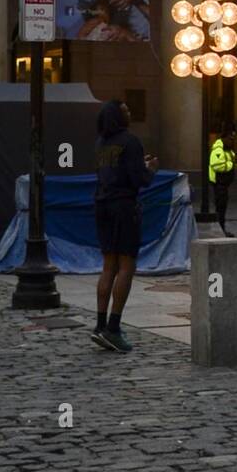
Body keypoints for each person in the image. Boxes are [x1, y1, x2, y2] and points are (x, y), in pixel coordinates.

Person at [92, 99, 158, 353]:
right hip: (123, 207)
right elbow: (138, 179)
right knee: (127, 265)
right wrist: (150, 169)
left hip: (102, 205)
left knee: (108, 264)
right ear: (118, 116)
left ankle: (100, 324)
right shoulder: (131, 142)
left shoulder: (101, 143)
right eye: (126, 109)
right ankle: (114, 327)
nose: (130, 112)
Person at [208, 122, 237, 237]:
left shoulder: (227, 148)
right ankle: (220, 230)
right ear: (225, 137)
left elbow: (233, 159)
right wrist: (232, 164)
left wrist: (235, 161)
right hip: (219, 183)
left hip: (224, 183)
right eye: (231, 137)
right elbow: (217, 165)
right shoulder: (218, 147)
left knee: (222, 207)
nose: (232, 140)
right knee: (220, 207)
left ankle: (221, 229)